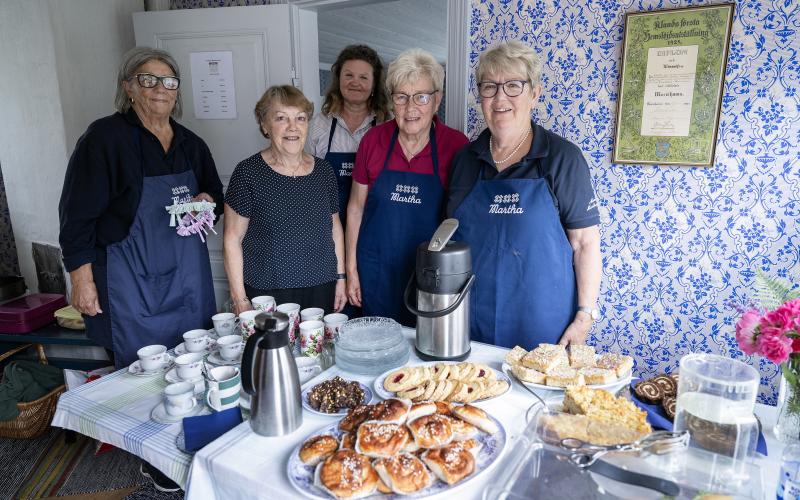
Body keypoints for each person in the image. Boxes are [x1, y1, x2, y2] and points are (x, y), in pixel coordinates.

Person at [58, 46, 223, 492]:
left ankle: (193, 445)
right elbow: (76, 217)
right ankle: (153, 458)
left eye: (169, 81)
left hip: (187, 275)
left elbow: (215, 191)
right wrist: (81, 277)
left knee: (197, 362)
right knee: (144, 374)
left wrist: (210, 200)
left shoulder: (190, 142)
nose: (160, 90)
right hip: (130, 277)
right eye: (148, 80)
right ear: (128, 88)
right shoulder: (104, 140)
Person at [447, 41, 602, 349]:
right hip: (470, 319)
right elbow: (449, 240)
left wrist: (585, 316)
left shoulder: (562, 158)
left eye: (513, 86)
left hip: (543, 324)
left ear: (534, 93)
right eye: (489, 87)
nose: (500, 97)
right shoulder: (465, 160)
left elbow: (586, 244)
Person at [346, 48, 469, 326]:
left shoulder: (456, 146)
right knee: (378, 347)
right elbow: (355, 208)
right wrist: (351, 270)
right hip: (376, 269)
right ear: (392, 101)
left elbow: (464, 221)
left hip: (431, 274)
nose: (410, 108)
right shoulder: (373, 141)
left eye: (421, 97)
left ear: (437, 100)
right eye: (401, 97)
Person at [224, 85, 346, 315]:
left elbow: (335, 228)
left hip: (322, 284)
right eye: (281, 118)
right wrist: (239, 298)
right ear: (264, 125)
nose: (293, 127)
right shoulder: (248, 172)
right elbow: (232, 238)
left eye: (300, 118)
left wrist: (341, 278)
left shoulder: (324, 171)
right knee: (272, 350)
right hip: (267, 288)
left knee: (316, 350)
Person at [306, 44, 390, 228]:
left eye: (363, 77)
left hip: (373, 223)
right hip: (325, 223)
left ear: (374, 84)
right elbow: (306, 179)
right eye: (349, 75)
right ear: (338, 79)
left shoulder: (387, 126)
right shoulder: (318, 125)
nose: (355, 82)